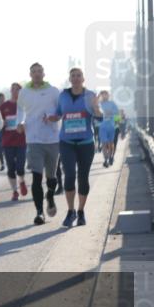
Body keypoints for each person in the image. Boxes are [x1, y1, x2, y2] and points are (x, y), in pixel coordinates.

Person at [51, 69, 102, 227]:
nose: (76, 78)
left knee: (83, 177)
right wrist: (49, 118)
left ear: (83, 78)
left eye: (78, 75)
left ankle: (80, 211)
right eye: (73, 76)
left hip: (86, 143)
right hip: (66, 142)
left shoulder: (90, 95)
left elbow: (99, 116)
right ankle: (70, 210)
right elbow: (59, 113)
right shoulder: (63, 95)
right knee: (70, 175)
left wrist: (96, 108)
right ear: (70, 79)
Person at [16, 63, 61, 226]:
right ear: (30, 74)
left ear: (44, 73)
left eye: (39, 71)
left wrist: (54, 117)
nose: (36, 74)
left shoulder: (53, 91)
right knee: (36, 176)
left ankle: (50, 195)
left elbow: (60, 111)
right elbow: (20, 109)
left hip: (51, 138)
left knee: (51, 177)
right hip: (33, 138)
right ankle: (39, 212)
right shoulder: (24, 92)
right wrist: (20, 123)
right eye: (33, 71)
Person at [0, 83, 28, 201]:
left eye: (18, 90)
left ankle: (21, 181)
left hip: (22, 141)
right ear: (10, 91)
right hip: (8, 142)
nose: (16, 92)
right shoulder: (4, 106)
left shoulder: (24, 106)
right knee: (11, 168)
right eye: (14, 89)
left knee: (20, 168)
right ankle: (15, 191)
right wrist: (2, 124)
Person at [98, 91, 120, 167]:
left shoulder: (112, 104)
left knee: (111, 144)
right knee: (104, 143)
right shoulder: (99, 104)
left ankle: (111, 156)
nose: (104, 96)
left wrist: (117, 123)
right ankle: (105, 159)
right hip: (102, 127)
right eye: (103, 95)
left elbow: (117, 113)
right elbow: (95, 114)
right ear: (101, 96)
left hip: (111, 126)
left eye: (106, 95)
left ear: (108, 96)